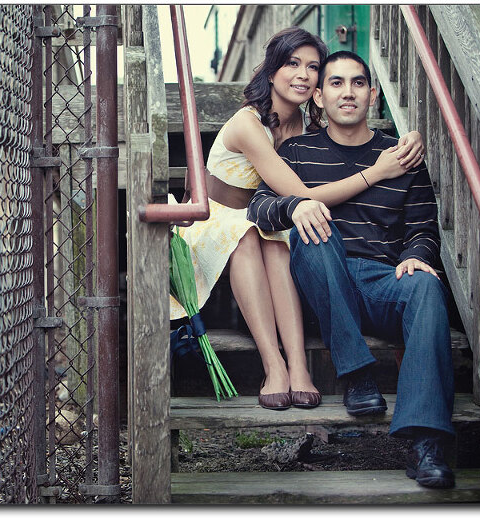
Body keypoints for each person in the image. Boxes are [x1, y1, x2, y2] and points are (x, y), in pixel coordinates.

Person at [170, 27, 426, 410]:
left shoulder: (308, 127)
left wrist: (412, 136)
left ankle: (299, 366)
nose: (303, 75)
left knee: (277, 240)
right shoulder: (248, 123)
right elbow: (301, 195)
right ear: (272, 70)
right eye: (292, 64)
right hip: (217, 221)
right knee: (249, 235)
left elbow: (339, 154)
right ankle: (273, 365)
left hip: (267, 221)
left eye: (312, 67)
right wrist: (376, 172)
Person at [247, 50, 455, 488]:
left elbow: (423, 227)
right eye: (336, 83)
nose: (348, 92)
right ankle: (357, 374)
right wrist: (296, 205)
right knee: (315, 231)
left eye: (358, 83)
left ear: (373, 95)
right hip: (321, 282)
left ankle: (427, 444)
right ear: (319, 97)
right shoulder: (297, 151)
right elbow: (260, 208)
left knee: (427, 287)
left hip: (383, 280)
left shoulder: (400, 156)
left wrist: (417, 255)